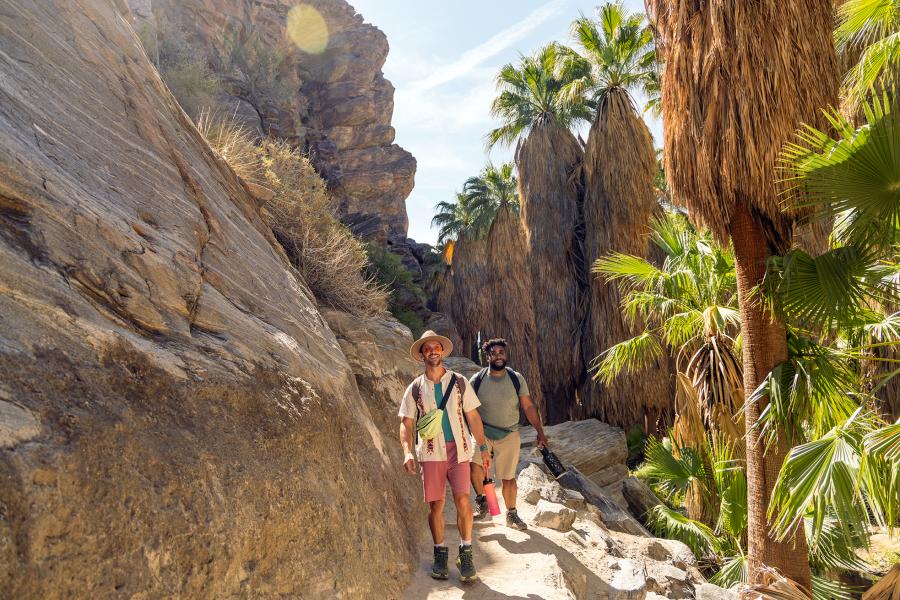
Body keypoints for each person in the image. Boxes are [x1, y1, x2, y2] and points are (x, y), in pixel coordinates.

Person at [398, 330, 492, 583]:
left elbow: (473, 416)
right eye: (427, 348)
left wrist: (483, 448)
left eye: (436, 347)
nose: (433, 352)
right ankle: (440, 554)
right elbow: (406, 423)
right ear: (422, 355)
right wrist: (407, 451)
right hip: (431, 453)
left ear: (442, 351)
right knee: (436, 505)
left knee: (463, 499)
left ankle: (466, 553)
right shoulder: (415, 388)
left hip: (459, 450)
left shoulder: (459, 382)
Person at [470, 338, 548, 530]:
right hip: (483, 432)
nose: (498, 356)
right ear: (487, 357)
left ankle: (511, 515)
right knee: (474, 466)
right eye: (494, 353)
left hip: (509, 433)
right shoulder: (477, 380)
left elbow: (528, 406)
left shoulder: (516, 378)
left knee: (508, 477)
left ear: (505, 355)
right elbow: (469, 411)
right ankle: (482, 501)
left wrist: (540, 432)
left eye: (501, 353)